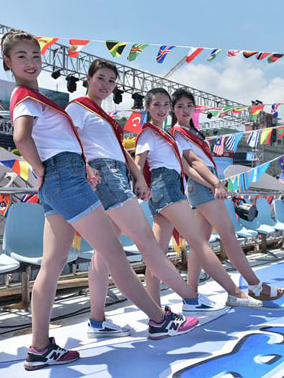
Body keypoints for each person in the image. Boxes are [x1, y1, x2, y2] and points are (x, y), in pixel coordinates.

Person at [2, 30, 198, 371]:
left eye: (35, 56)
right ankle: (159, 320)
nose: (31, 62)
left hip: (60, 180)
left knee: (53, 264)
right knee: (114, 254)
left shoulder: (34, 98)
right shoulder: (28, 99)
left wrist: (59, 170)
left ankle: (40, 348)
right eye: (22, 57)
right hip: (63, 178)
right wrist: (41, 169)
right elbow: (21, 137)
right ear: (7, 62)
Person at [65, 60, 222, 338]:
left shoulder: (104, 116)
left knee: (104, 252)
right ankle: (187, 300)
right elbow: (70, 140)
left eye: (111, 81)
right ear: (88, 78)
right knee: (146, 241)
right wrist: (86, 166)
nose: (106, 85)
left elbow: (120, 151)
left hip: (115, 173)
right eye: (101, 78)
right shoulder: (78, 107)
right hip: (104, 174)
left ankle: (97, 321)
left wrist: (138, 176)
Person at [135, 87, 262, 308]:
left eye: (166, 104)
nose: (162, 109)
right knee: (199, 243)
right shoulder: (150, 133)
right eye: (157, 104)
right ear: (147, 107)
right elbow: (140, 162)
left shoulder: (164, 134)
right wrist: (140, 183)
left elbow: (185, 165)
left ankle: (156, 310)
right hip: (167, 188)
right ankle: (234, 293)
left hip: (169, 187)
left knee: (157, 254)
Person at [169, 88, 283, 301]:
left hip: (204, 184)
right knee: (228, 234)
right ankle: (255, 285)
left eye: (189, 106)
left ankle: (191, 293)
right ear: (173, 110)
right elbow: (192, 164)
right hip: (203, 184)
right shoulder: (178, 133)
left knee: (200, 242)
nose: (185, 110)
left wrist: (212, 183)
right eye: (180, 106)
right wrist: (214, 184)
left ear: (195, 108)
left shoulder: (191, 132)